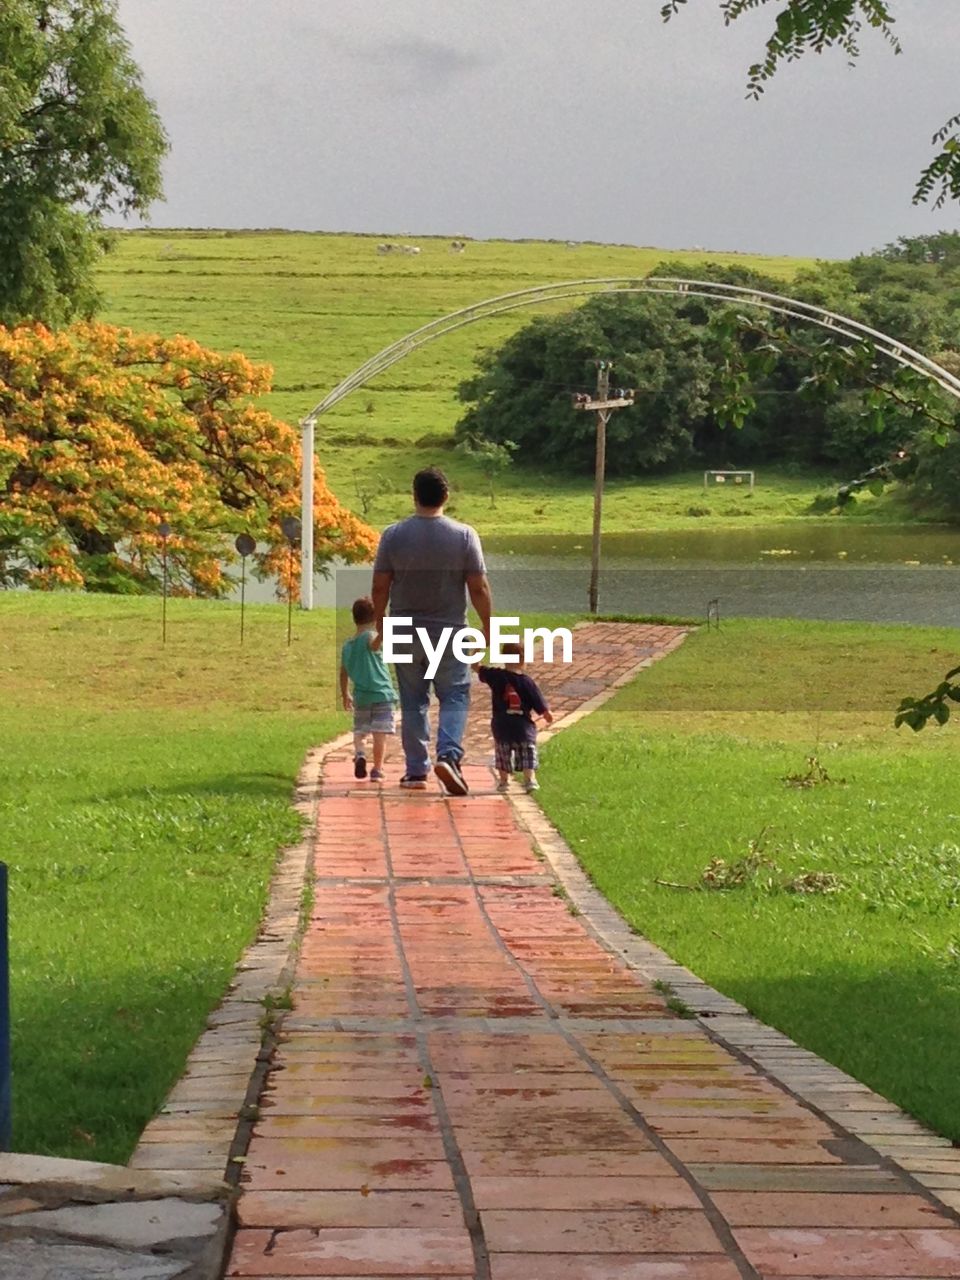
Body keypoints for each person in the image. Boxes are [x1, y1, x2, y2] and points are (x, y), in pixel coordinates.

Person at [372, 467, 493, 795]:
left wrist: (381, 623)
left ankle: (415, 771)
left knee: (413, 699)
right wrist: (487, 626)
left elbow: (380, 586)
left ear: (414, 495)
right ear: (446, 497)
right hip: (449, 630)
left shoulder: (393, 535)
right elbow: (478, 587)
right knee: (454, 694)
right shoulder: (464, 535)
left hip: (404, 629)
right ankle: (449, 756)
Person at [478, 643, 553, 793]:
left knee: (502, 752)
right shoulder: (527, 682)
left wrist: (478, 648)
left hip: (501, 724)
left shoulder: (495, 675)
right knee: (527, 752)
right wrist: (546, 714)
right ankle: (530, 779)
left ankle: (504, 782)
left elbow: (475, 666)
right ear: (523, 659)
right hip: (522, 726)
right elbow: (539, 703)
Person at [339, 595, 397, 783]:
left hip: (361, 696)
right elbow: (377, 642)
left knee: (360, 731)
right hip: (381, 694)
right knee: (379, 733)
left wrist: (345, 694)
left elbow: (343, 673)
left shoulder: (347, 646)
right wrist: (386, 624)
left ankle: (360, 753)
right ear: (374, 618)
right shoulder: (370, 637)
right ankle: (378, 769)